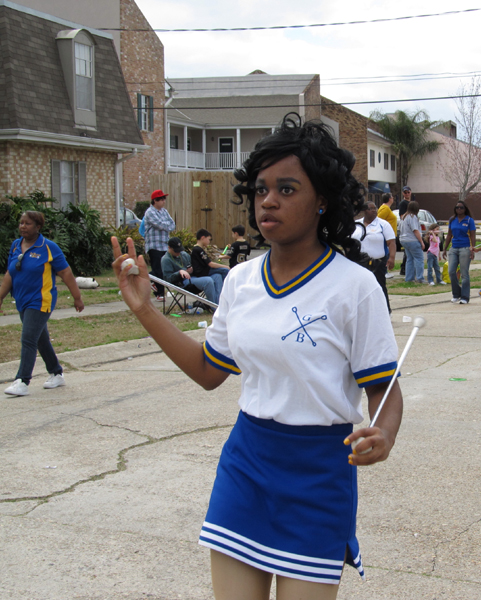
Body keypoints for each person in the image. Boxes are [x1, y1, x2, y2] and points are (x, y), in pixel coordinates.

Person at [111, 115, 402, 599]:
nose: (269, 200)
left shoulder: (355, 287)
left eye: (288, 189)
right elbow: (208, 372)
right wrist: (145, 309)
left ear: (322, 200)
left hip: (319, 476)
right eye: (262, 188)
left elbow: (385, 391)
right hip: (245, 467)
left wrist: (384, 434)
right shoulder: (242, 280)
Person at [1, 211, 84, 396]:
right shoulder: (16, 245)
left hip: (41, 300)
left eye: (27, 223)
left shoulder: (48, 247)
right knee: (40, 339)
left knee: (28, 338)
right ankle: (56, 373)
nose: (23, 226)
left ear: (38, 227)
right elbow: (10, 274)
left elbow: (66, 273)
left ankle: (22, 381)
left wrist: (77, 297)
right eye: (21, 223)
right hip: (22, 300)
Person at [353, 200, 396, 310]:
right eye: (370, 209)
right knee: (360, 288)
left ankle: (386, 311)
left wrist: (392, 257)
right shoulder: (357, 224)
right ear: (364, 211)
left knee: (380, 287)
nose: (374, 211)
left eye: (375, 208)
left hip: (377, 262)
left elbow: (391, 242)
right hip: (359, 262)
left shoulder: (383, 224)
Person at [161, 237, 221, 305]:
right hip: (182, 282)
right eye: (176, 251)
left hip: (194, 276)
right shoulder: (166, 260)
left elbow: (193, 265)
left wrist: (192, 269)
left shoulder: (184, 254)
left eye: (179, 250)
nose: (178, 252)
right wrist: (180, 272)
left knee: (217, 276)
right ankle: (214, 306)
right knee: (208, 281)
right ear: (169, 248)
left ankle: (219, 304)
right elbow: (167, 279)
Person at [142, 189, 175, 301]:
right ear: (155, 201)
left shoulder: (164, 212)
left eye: (164, 199)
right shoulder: (150, 212)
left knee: (162, 269)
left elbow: (172, 224)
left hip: (164, 245)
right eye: (161, 199)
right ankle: (159, 294)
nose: (164, 201)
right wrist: (166, 225)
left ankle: (150, 280)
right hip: (154, 245)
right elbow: (160, 225)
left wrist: (166, 225)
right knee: (158, 269)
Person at [442, 201, 477, 304]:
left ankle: (465, 296)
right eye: (457, 208)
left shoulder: (469, 220)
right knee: (451, 271)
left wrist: (472, 248)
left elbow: (473, 235)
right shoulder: (452, 220)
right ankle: (456, 294)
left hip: (465, 248)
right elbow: (449, 235)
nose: (459, 209)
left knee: (464, 273)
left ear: (465, 209)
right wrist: (445, 248)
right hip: (454, 248)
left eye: (461, 208)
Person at [191, 229, 230, 295]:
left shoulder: (197, 249)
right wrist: (226, 266)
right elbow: (211, 264)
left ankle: (218, 297)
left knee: (218, 276)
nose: (209, 242)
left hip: (204, 270)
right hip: (202, 271)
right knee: (225, 270)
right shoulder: (198, 250)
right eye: (209, 239)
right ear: (203, 238)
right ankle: (226, 291)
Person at [398, 201, 424, 284]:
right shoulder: (412, 217)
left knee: (410, 259)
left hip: (403, 240)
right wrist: (421, 242)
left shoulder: (403, 217)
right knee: (419, 258)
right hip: (412, 240)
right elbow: (415, 230)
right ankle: (420, 278)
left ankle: (409, 278)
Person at [397, 186, 412, 276]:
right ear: (403, 193)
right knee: (408, 249)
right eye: (405, 192)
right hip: (406, 228)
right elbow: (402, 216)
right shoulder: (403, 203)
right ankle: (403, 268)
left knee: (409, 249)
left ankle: (405, 267)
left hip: (411, 227)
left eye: (408, 192)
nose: (407, 194)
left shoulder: (411, 202)